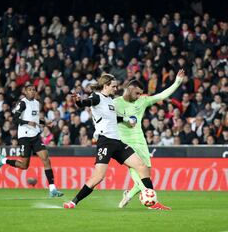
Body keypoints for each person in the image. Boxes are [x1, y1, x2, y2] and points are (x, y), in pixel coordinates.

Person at [63, 74, 154, 209]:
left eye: (116, 86)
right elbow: (84, 103)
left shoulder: (110, 101)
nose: (116, 88)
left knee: (142, 166)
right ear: (105, 86)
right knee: (98, 177)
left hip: (117, 141)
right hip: (105, 141)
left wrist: (126, 119)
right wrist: (78, 101)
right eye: (113, 86)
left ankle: (152, 201)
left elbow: (113, 118)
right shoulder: (96, 97)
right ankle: (73, 202)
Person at [113, 69, 185, 210]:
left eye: (140, 93)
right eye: (137, 93)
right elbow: (105, 118)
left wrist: (177, 82)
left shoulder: (142, 101)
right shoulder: (115, 103)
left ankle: (128, 195)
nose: (139, 95)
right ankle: (153, 203)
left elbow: (161, 95)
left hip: (140, 140)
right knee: (135, 167)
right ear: (130, 89)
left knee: (146, 173)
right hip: (124, 142)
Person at [0, 84, 63, 197]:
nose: (32, 91)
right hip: (24, 137)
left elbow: (35, 120)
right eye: (30, 90)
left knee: (46, 158)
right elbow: (15, 119)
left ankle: (52, 189)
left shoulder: (37, 103)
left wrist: (45, 122)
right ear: (25, 92)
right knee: (24, 166)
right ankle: (3, 161)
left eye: (34, 90)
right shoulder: (22, 103)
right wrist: (27, 122)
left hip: (35, 135)